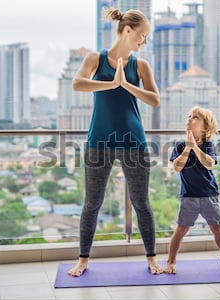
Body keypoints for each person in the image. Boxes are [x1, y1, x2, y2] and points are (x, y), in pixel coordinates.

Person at [68, 8, 163, 276]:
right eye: (142, 35)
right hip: (99, 141)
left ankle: (152, 258)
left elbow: (155, 100)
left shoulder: (140, 65)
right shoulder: (95, 59)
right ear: (128, 30)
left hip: (134, 142)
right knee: (92, 203)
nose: (144, 41)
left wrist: (126, 85)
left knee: (141, 202)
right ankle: (83, 260)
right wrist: (111, 84)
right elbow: (77, 84)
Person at [164, 106, 220, 274]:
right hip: (189, 196)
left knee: (217, 228)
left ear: (205, 127)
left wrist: (195, 147)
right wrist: (188, 147)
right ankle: (170, 262)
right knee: (181, 229)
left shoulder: (208, 145)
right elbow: (177, 167)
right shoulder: (179, 145)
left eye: (195, 118)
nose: (189, 119)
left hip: (209, 195)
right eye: (189, 116)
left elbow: (209, 163)